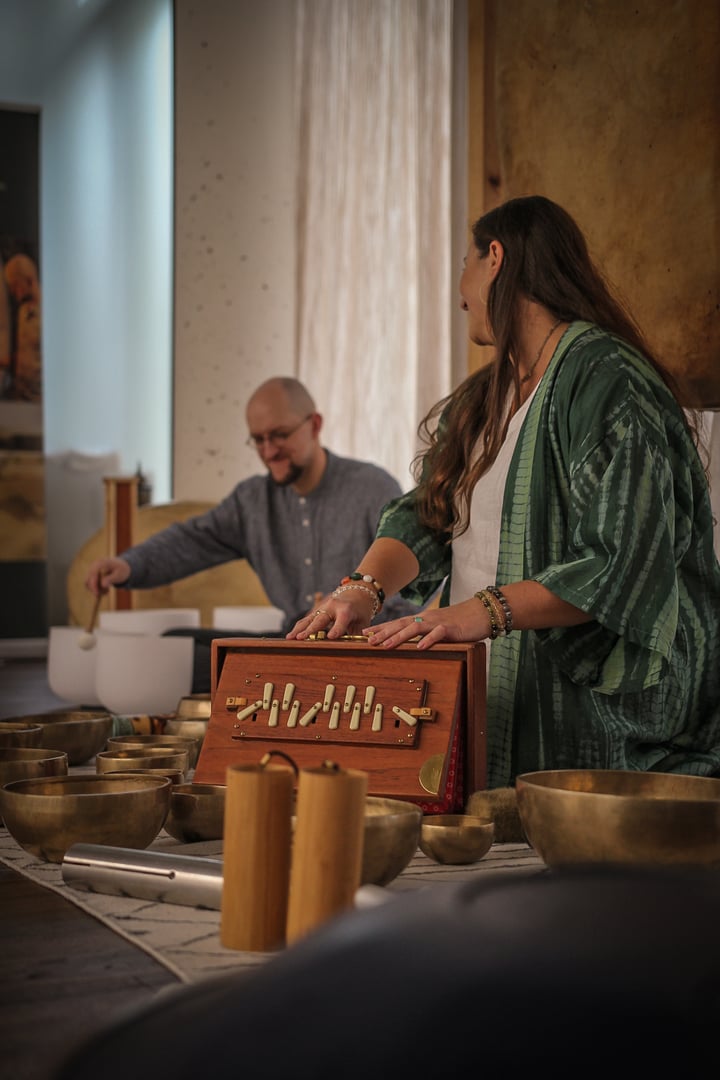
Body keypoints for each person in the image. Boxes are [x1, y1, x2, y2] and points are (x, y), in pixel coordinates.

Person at [289, 194, 720, 788]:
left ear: (496, 257)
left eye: (464, 264)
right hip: (495, 706)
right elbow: (427, 515)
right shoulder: (483, 397)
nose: (459, 290)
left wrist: (479, 612)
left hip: (601, 733)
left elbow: (623, 563)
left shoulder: (606, 379)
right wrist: (361, 590)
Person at [85, 376, 423, 692]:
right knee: (176, 647)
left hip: (364, 650)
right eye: (258, 439)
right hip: (289, 644)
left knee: (224, 668)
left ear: (315, 425)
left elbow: (413, 575)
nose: (268, 451)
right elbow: (192, 540)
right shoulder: (251, 501)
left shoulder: (371, 487)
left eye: (279, 435)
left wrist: (355, 611)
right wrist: (128, 565)